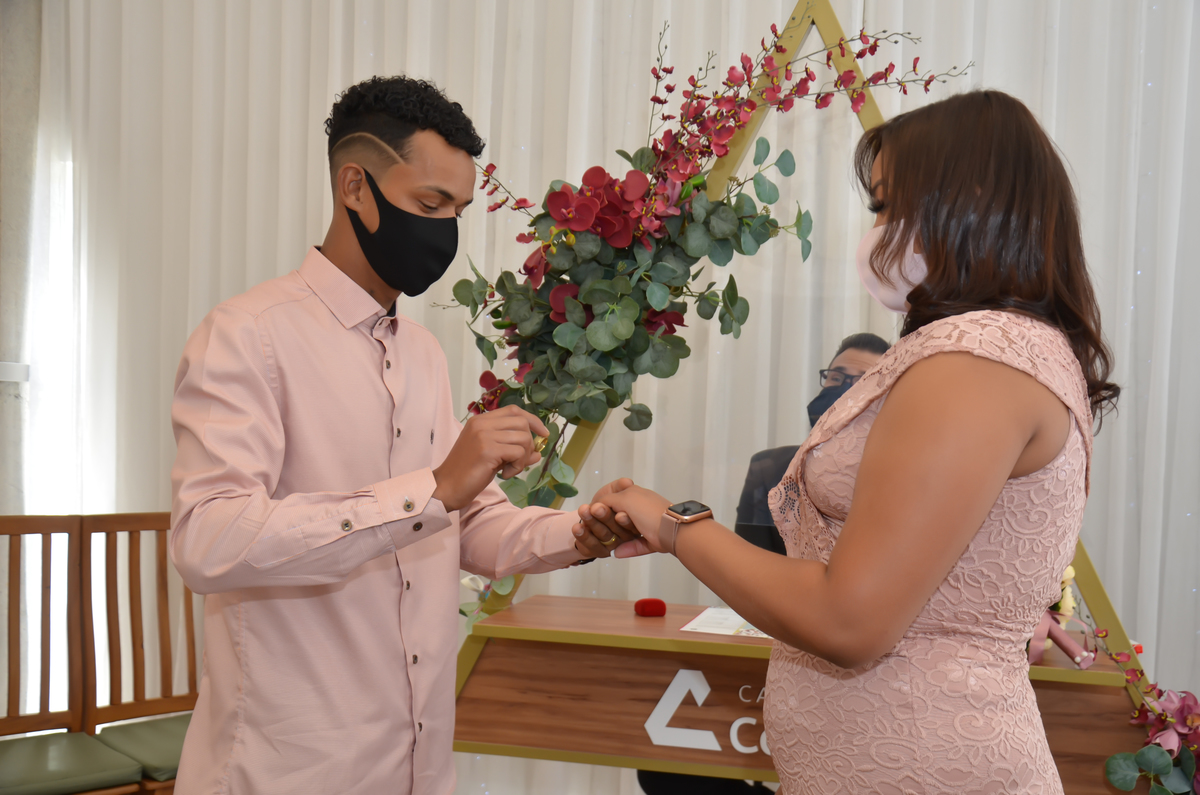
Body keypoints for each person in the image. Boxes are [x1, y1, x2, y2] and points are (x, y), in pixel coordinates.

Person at [580, 90, 1118, 794]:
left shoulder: (978, 360)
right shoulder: (993, 349)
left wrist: (675, 524)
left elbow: (850, 619)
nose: (879, 232)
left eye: (889, 208)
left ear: (972, 203)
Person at [168, 76, 631, 795]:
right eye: (429, 205)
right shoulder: (247, 336)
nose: (444, 230)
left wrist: (581, 531)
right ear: (355, 186)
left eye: (458, 211)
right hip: (291, 771)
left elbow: (465, 526)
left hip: (417, 764)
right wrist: (434, 487)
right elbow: (209, 539)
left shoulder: (422, 353)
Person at [734, 332, 890, 554]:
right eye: (836, 378)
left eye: (863, 381)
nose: (845, 391)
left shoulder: (897, 481)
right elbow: (746, 562)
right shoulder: (768, 469)